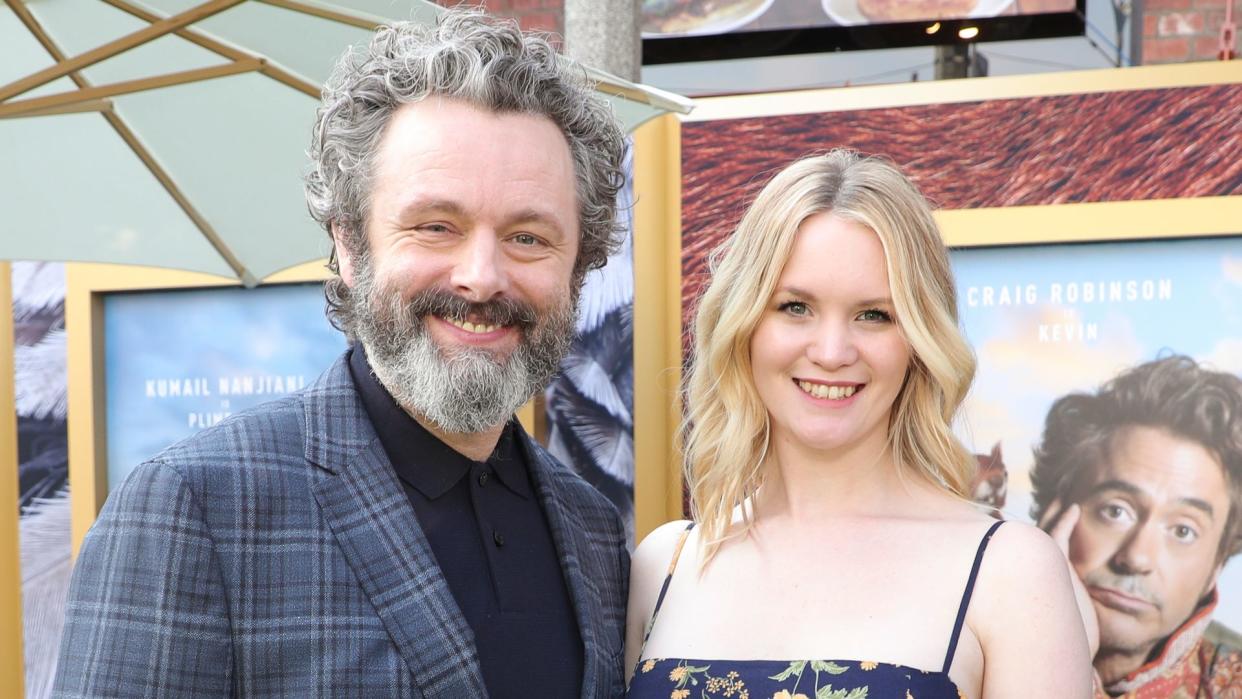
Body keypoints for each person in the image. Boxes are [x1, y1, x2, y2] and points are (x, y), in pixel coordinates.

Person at [54, 10, 630, 698]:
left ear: (578, 266)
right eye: (436, 226)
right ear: (351, 245)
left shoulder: (591, 528)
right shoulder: (197, 507)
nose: (482, 276)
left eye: (529, 237)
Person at [625, 150, 1093, 699]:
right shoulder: (665, 564)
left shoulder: (1010, 570)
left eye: (874, 315)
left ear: (920, 341)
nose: (831, 351)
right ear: (744, 324)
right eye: (795, 307)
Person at [1032, 356, 1242, 697]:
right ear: (1054, 513)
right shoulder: (955, 655)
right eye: (1116, 511)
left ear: (1216, 567)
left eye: (1183, 531)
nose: (1136, 558)